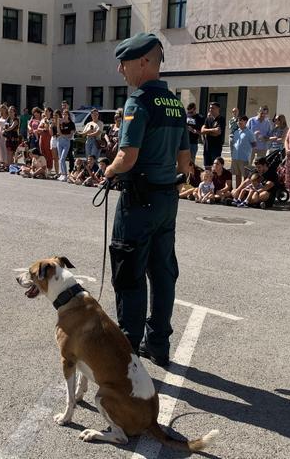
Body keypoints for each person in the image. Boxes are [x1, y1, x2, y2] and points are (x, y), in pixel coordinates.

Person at [105, 33, 190, 367]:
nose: (119, 70)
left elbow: (127, 157)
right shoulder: (175, 104)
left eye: (124, 63)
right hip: (168, 198)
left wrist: (109, 171)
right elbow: (185, 162)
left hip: (139, 200)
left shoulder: (138, 102)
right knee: (163, 272)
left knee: (129, 272)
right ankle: (158, 344)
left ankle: (127, 348)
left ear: (143, 62)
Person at [229, 115, 256, 187]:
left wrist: (248, 151)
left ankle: (244, 192)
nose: (239, 122)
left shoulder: (249, 132)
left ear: (246, 122)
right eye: (238, 121)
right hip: (235, 157)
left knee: (245, 176)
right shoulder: (236, 132)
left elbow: (254, 144)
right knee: (237, 176)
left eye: (241, 120)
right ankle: (237, 191)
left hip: (244, 158)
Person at [200, 102, 224, 170]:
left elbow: (218, 132)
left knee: (215, 168)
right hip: (207, 147)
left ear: (218, 109)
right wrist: (213, 130)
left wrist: (207, 131)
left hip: (216, 148)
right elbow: (202, 131)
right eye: (210, 108)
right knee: (207, 168)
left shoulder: (221, 119)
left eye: (212, 108)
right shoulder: (208, 119)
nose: (210, 109)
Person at [57, 109, 76, 180]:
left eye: (65, 114)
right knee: (60, 159)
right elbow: (58, 132)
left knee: (62, 158)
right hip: (60, 141)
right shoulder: (61, 123)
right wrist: (58, 123)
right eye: (63, 114)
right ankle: (62, 174)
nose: (64, 116)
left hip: (67, 141)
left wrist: (62, 135)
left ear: (68, 115)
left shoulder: (71, 124)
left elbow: (70, 135)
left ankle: (65, 174)